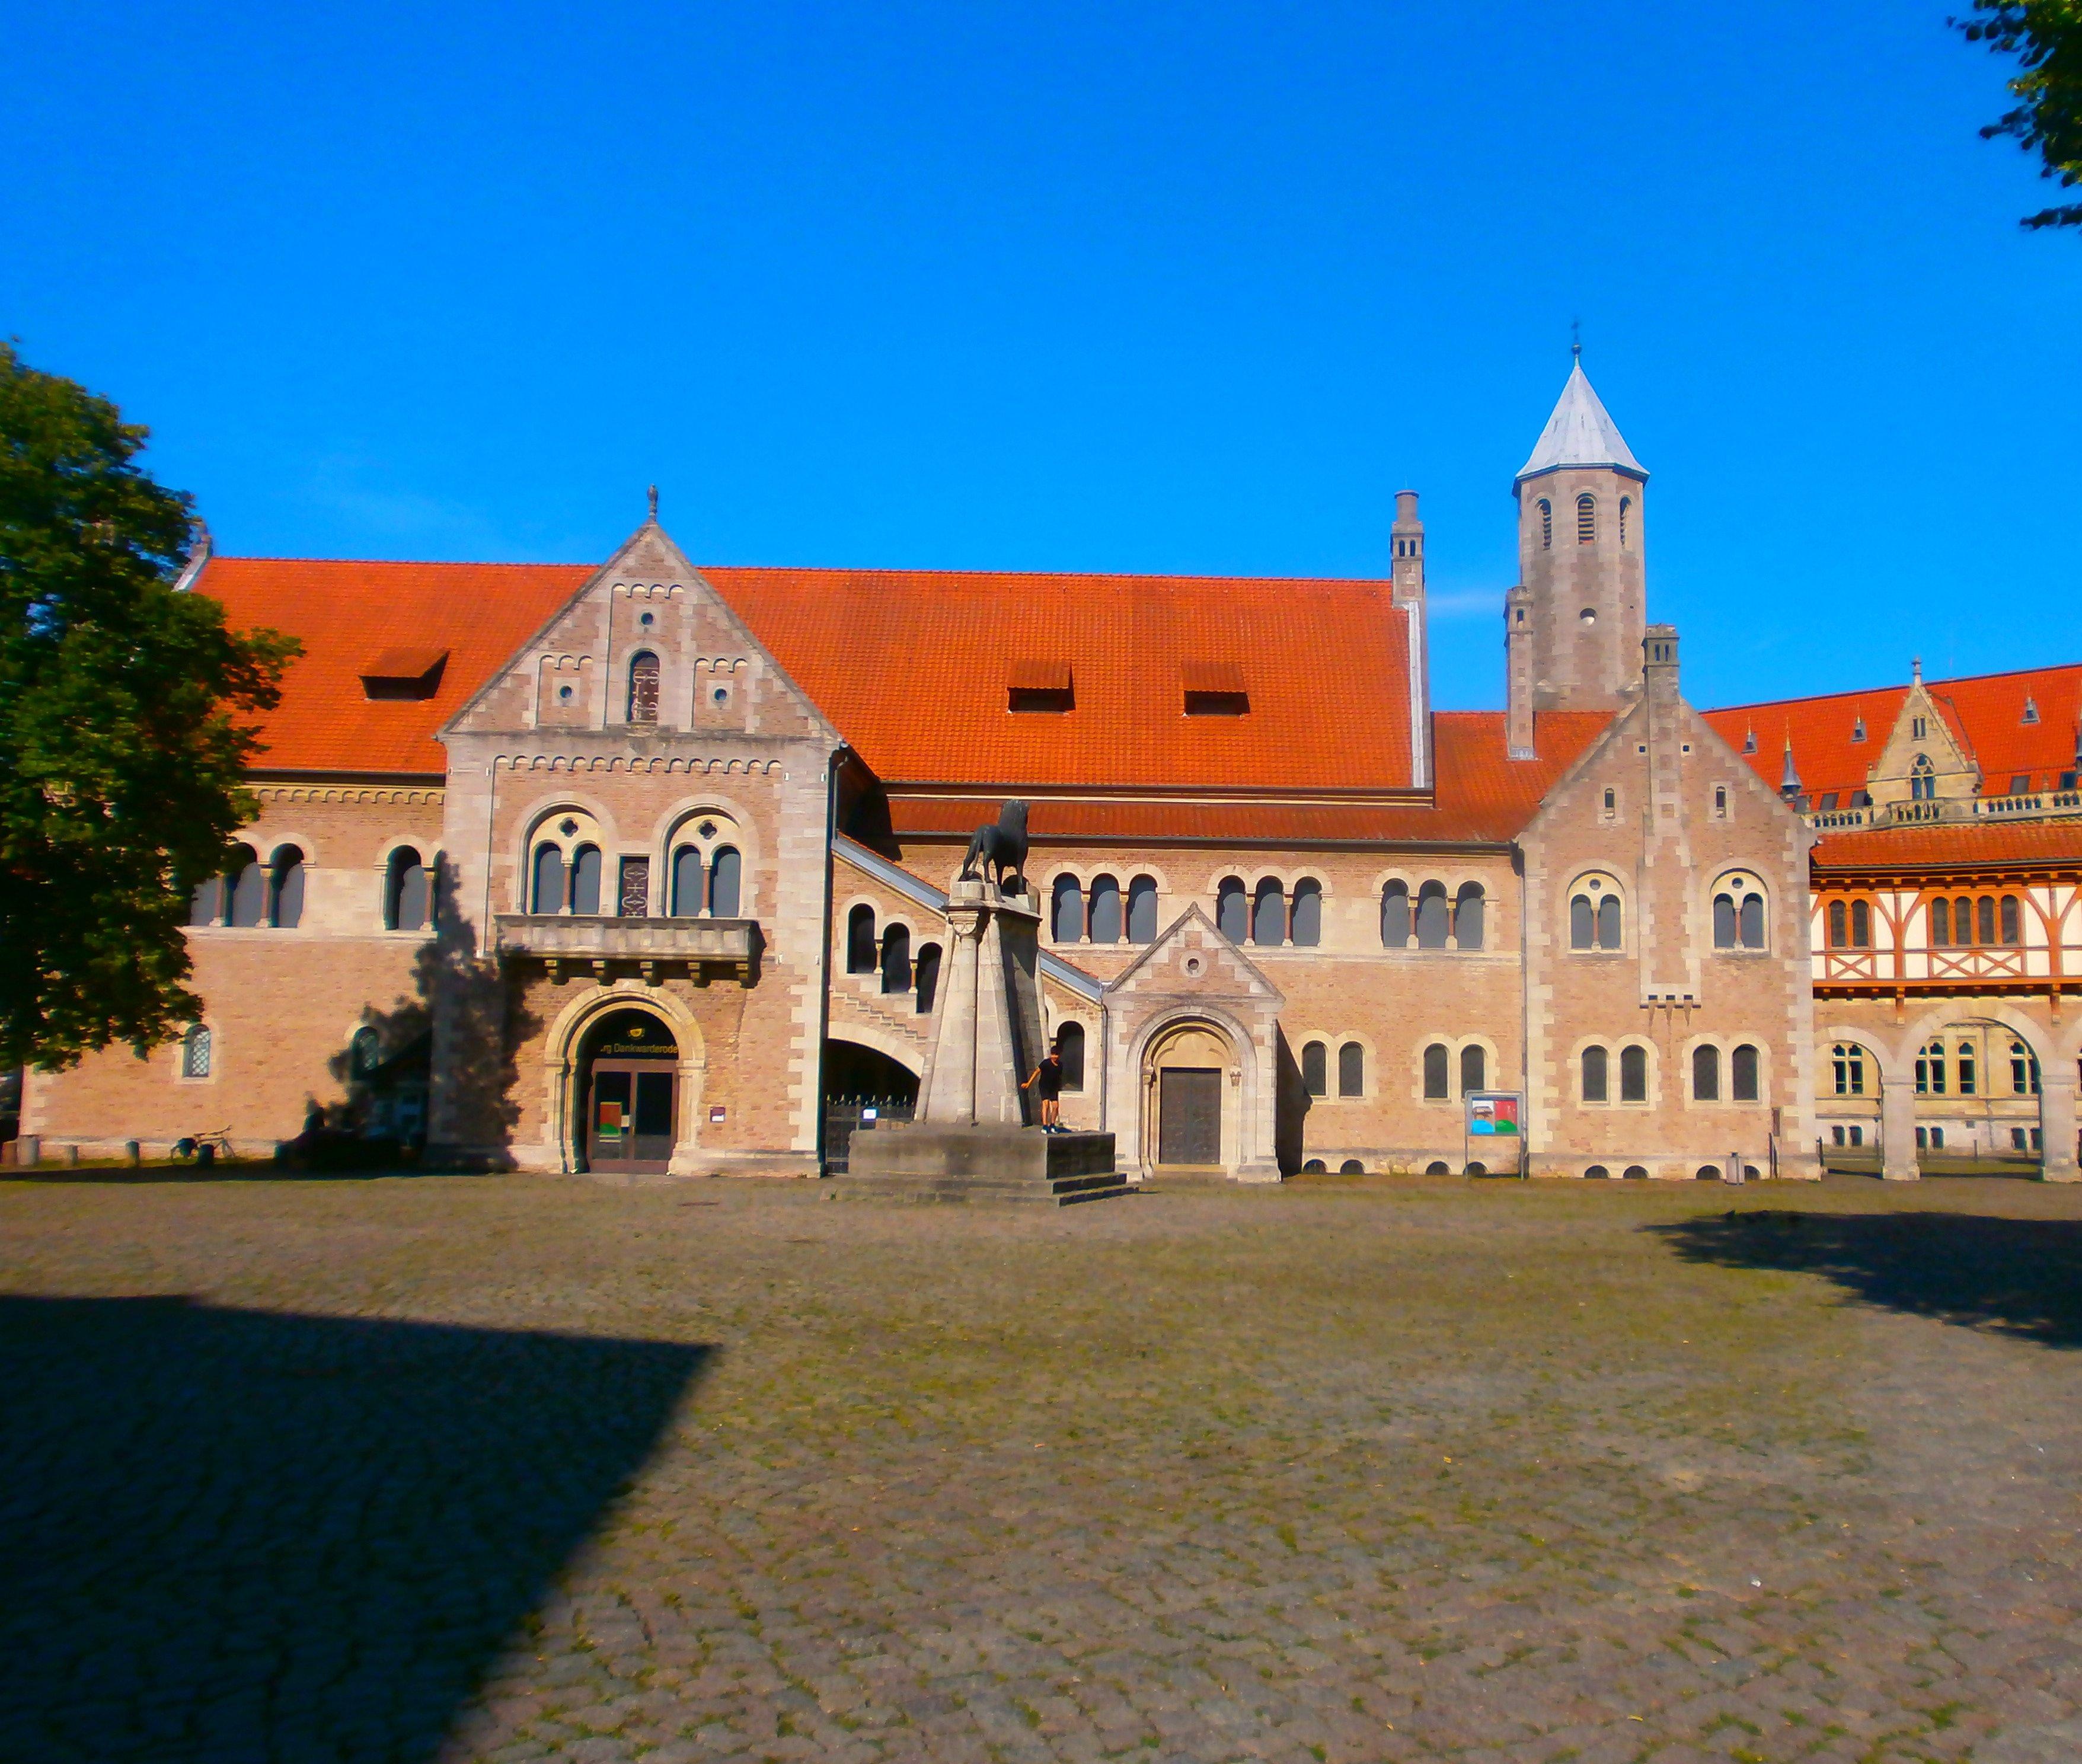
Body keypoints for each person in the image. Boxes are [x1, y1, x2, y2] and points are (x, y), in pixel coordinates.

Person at [1021, 1041, 1065, 1132]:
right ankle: (1045, 1125)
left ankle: (1052, 1125)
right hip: (1044, 1086)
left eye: (1056, 1055)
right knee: (1046, 1104)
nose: (1054, 1057)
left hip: (1053, 1087)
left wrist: (1059, 1087)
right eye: (1053, 1055)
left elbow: (1059, 1077)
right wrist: (1028, 1083)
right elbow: (1036, 1072)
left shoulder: (1060, 1065)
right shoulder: (1046, 1063)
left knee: (1056, 1106)